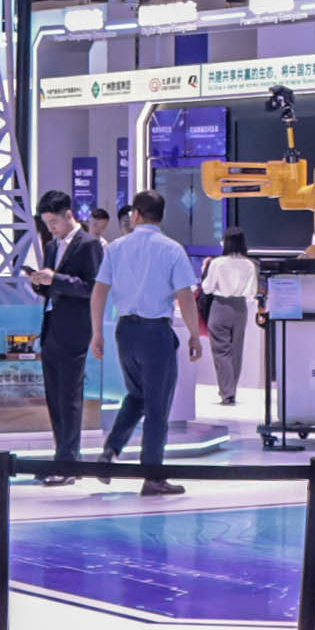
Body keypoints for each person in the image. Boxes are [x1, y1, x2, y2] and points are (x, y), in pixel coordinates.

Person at [90, 190, 207, 495]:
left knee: (136, 395)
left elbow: (99, 292)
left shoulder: (116, 248)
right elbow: (185, 296)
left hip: (125, 331)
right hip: (156, 333)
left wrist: (97, 333)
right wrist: (194, 335)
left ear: (137, 215)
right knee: (157, 406)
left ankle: (111, 451)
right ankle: (153, 476)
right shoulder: (172, 249)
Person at [20, 192, 101, 482]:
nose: (51, 228)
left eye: (53, 222)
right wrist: (38, 282)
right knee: (54, 398)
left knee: (69, 398)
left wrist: (56, 279)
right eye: (46, 223)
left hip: (75, 329)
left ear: (69, 215)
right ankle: (63, 459)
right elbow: (52, 287)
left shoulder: (89, 244)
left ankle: (68, 464)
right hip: (51, 326)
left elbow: (92, 288)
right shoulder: (52, 246)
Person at [197, 228, 261, 410]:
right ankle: (230, 390)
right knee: (236, 351)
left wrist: (204, 270)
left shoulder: (217, 263)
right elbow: (252, 293)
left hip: (220, 307)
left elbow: (207, 288)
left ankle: (227, 393)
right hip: (240, 309)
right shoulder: (250, 265)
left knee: (221, 352)